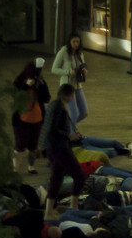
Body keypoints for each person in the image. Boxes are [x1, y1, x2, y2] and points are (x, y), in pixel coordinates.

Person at [39, 83, 85, 215]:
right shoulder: (59, 107)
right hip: (60, 149)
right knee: (79, 176)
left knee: (56, 179)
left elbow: (49, 127)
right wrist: (69, 135)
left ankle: (48, 212)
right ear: (68, 94)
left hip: (52, 149)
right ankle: (73, 206)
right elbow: (55, 129)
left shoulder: (54, 105)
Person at [11, 58, 49, 174]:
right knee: (20, 145)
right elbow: (16, 97)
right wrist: (26, 86)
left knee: (33, 145)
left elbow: (47, 98)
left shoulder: (40, 82)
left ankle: (31, 167)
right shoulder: (19, 83)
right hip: (22, 119)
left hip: (37, 119)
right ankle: (15, 169)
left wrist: (40, 86)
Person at [51, 32, 88, 122]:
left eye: (78, 42)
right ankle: (70, 132)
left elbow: (83, 66)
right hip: (67, 86)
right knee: (74, 114)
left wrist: (84, 71)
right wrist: (68, 72)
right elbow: (54, 69)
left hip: (78, 85)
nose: (76, 44)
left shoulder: (80, 54)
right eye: (74, 41)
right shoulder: (63, 52)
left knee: (84, 112)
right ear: (69, 42)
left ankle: (68, 128)